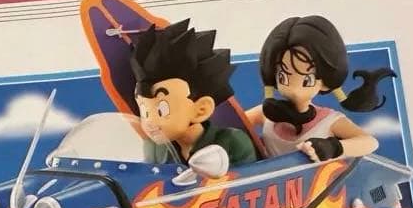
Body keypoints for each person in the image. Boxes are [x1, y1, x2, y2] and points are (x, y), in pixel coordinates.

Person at [244, 16, 394, 161]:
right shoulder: (265, 113)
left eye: (307, 80)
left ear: (326, 81)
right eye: (282, 76)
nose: (293, 89)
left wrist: (333, 147)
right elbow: (234, 123)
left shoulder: (328, 120)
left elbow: (370, 142)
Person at [130, 20, 256, 169]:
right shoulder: (155, 148)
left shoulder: (231, 143)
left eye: (162, 110)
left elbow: (247, 180)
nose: (149, 122)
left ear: (201, 109)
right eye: (145, 111)